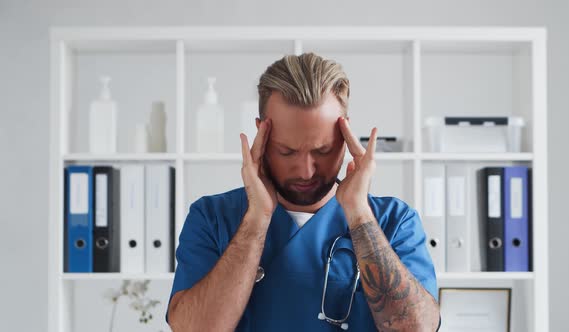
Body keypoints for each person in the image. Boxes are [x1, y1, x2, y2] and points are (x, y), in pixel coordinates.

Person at [166, 53, 440, 331]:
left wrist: (358, 213)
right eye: (287, 151)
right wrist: (257, 218)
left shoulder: (394, 221)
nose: (306, 171)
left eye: (322, 151)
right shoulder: (213, 218)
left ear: (346, 137)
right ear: (262, 134)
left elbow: (416, 328)